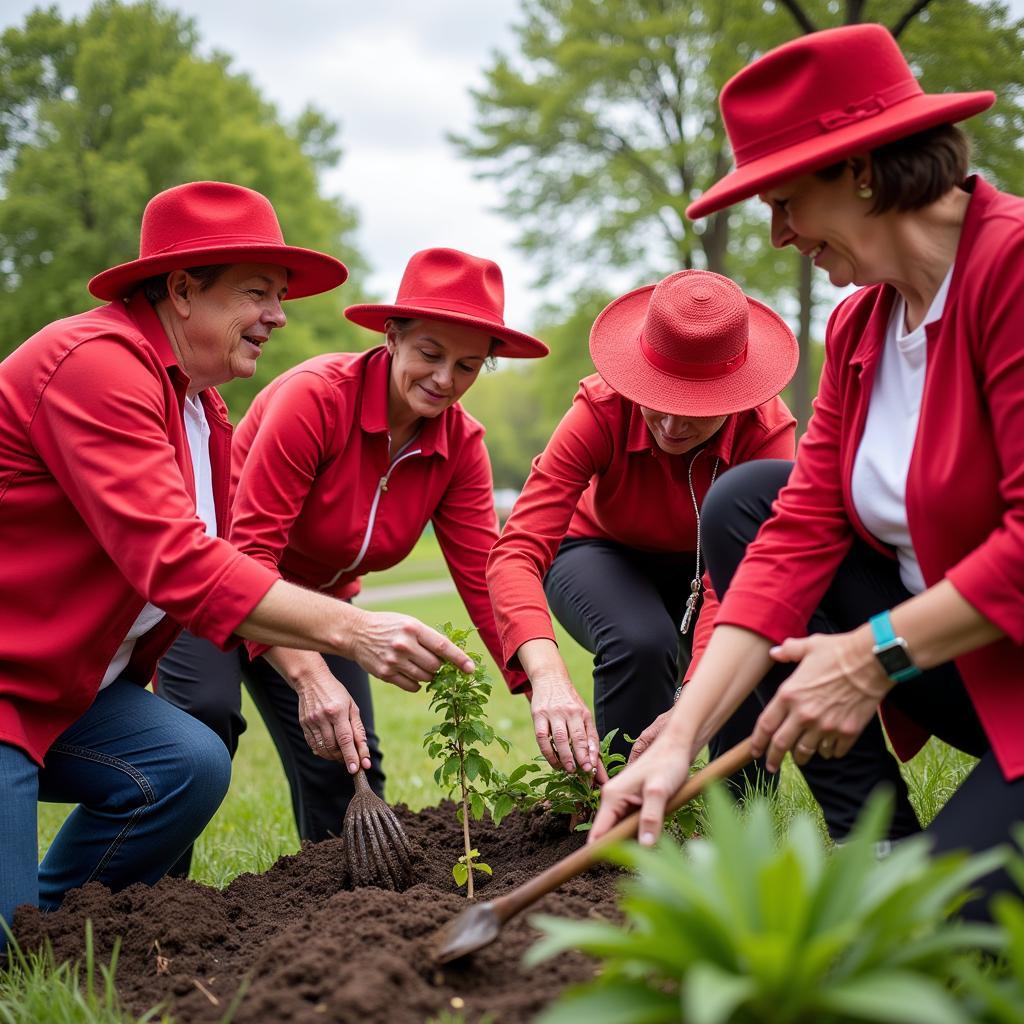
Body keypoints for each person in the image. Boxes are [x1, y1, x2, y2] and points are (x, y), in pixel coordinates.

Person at [592, 24, 1024, 914]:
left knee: (942, 935)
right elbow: (796, 536)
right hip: (975, 670)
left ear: (861, 169)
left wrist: (874, 655)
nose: (782, 235)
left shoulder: (1012, 271)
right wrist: (686, 733)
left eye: (784, 201)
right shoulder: (864, 327)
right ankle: (883, 844)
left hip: (960, 653)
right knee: (753, 499)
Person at [0, 182, 475, 934]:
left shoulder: (201, 408)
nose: (279, 316)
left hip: (67, 688)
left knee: (186, 763)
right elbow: (178, 563)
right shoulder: (96, 364)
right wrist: (350, 631)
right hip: (10, 684)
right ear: (183, 289)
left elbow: (218, 564)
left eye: (280, 296)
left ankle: (52, 924)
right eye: (258, 293)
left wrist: (310, 667)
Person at [157, 247, 548, 862]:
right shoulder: (315, 399)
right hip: (217, 582)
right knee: (203, 723)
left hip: (322, 605)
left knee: (349, 767)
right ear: (392, 337)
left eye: (469, 366)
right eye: (430, 354)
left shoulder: (461, 445)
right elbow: (250, 552)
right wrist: (311, 677)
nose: (446, 380)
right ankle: (153, 908)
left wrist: (543, 686)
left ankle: (346, 922)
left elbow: (485, 579)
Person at [487, 269, 797, 792]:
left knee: (743, 658)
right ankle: (620, 823)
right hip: (599, 550)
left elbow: (741, 589)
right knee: (641, 641)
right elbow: (516, 551)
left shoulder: (766, 435)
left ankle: (739, 824)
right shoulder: (599, 409)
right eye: (659, 401)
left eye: (696, 410)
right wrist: (548, 677)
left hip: (713, 563)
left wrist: (693, 704)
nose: (673, 427)